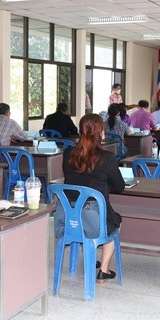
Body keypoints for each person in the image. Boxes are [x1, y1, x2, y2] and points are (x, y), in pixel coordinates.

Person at [59, 113, 125, 282]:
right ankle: (103, 270)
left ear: (80, 132)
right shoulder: (107, 158)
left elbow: (73, 177)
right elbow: (119, 187)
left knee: (91, 217)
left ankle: (90, 254)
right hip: (94, 217)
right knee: (116, 222)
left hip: (71, 217)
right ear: (101, 133)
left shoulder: (68, 154)